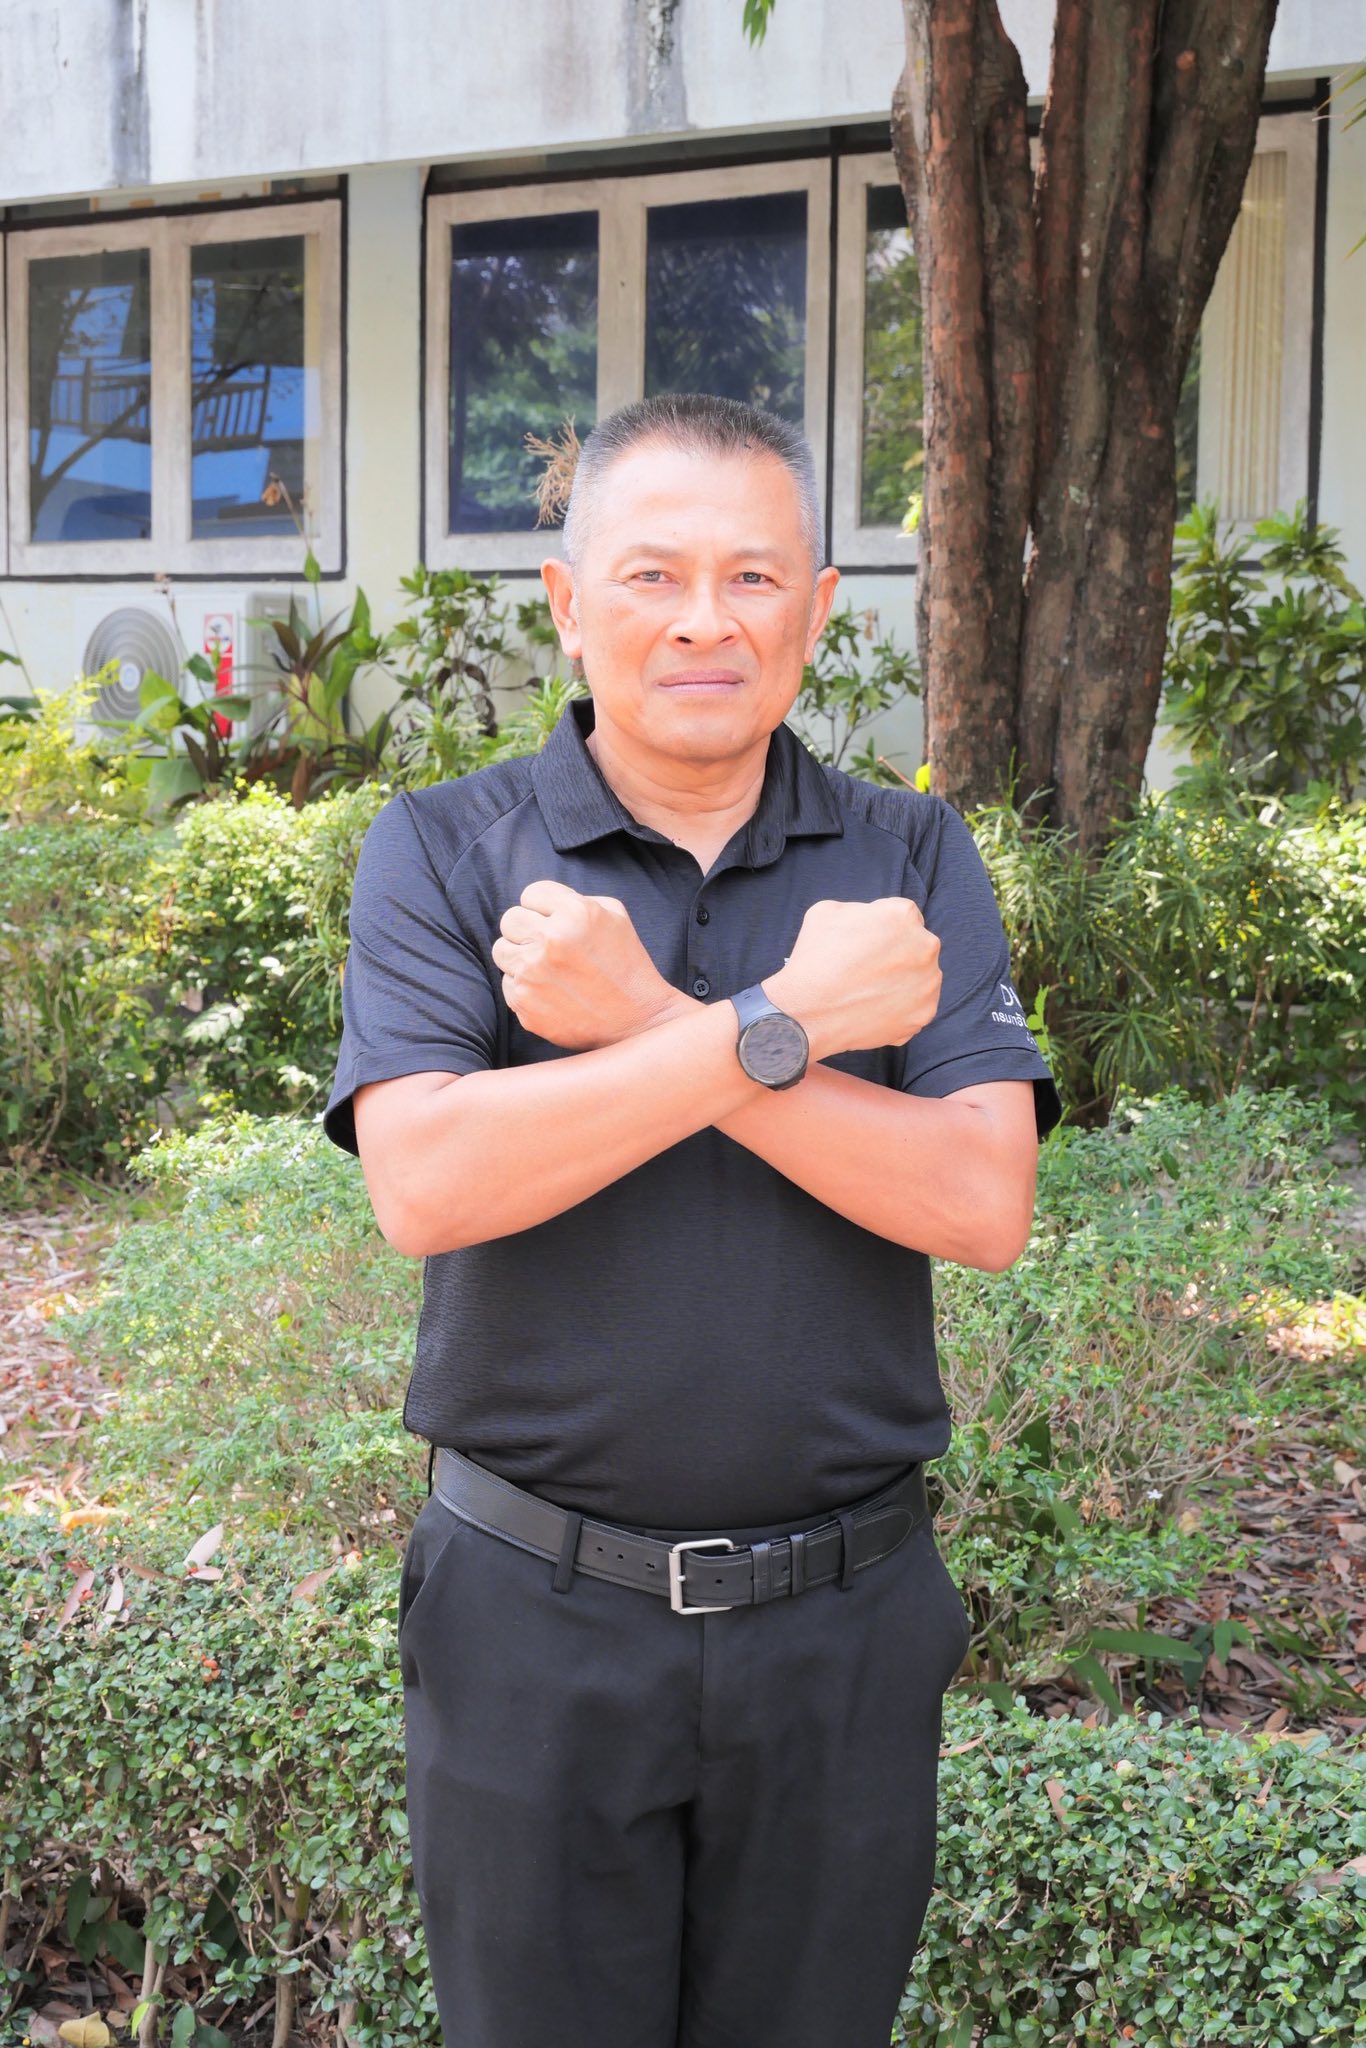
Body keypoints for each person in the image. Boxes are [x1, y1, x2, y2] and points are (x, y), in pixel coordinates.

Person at [322, 392, 1062, 2048]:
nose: (704, 621)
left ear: (818, 608)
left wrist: (648, 1020)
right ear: (567, 602)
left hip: (844, 1624)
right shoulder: (445, 851)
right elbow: (427, 1182)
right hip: (532, 1618)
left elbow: (981, 1200)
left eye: (753, 576)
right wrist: (775, 1026)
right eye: (652, 575)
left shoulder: (905, 854)